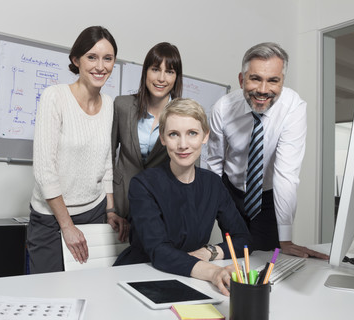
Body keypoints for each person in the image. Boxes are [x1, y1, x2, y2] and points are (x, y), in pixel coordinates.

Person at [114, 98, 252, 296]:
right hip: (142, 276)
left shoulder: (213, 183)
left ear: (205, 136)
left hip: (189, 277)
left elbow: (243, 239)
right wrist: (213, 272)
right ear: (162, 138)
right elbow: (159, 252)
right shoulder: (143, 184)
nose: (183, 144)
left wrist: (209, 252)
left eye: (192, 133)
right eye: (173, 134)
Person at [207, 42, 328, 259]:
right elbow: (214, 162)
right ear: (241, 80)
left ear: (282, 81)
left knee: (268, 256)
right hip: (231, 191)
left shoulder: (293, 107)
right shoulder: (222, 108)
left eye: (273, 81)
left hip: (268, 195)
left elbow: (286, 174)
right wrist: (210, 208)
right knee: (233, 255)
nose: (263, 90)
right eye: (255, 79)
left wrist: (286, 239)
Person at [27, 26, 128, 274]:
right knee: (48, 294)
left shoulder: (109, 104)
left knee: (92, 291)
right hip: (52, 218)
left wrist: (111, 210)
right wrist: (67, 226)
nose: (100, 66)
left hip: (94, 212)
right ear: (76, 60)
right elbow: (44, 171)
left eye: (108, 58)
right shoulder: (55, 97)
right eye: (91, 57)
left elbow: (106, 163)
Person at [112, 42, 183, 218]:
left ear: (176, 78)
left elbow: (188, 171)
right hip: (122, 201)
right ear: (145, 72)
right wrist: (110, 209)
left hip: (161, 206)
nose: (161, 78)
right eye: (155, 69)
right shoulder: (122, 105)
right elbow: (106, 157)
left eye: (170, 72)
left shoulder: (183, 115)